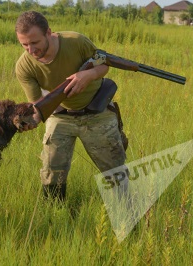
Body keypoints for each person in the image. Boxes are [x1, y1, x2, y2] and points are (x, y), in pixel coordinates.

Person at [14, 11, 128, 202]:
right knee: (51, 171)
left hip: (97, 111)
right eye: (24, 44)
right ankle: (56, 214)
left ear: (48, 32)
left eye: (35, 43)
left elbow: (105, 65)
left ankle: (126, 211)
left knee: (114, 169)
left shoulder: (76, 41)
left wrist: (87, 75)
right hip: (60, 115)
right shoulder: (24, 66)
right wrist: (31, 120)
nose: (31, 50)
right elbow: (36, 104)